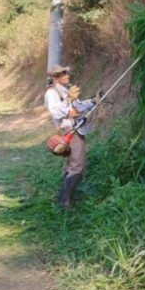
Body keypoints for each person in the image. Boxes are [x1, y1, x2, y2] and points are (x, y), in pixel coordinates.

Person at [44, 64, 97, 208]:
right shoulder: (51, 93)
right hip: (69, 130)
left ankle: (62, 200)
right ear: (56, 78)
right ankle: (64, 202)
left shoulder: (65, 90)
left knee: (70, 165)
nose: (67, 76)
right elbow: (55, 112)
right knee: (77, 166)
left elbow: (77, 107)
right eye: (64, 74)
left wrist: (92, 101)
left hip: (75, 128)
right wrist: (67, 103)